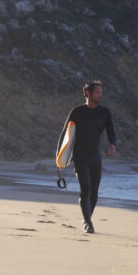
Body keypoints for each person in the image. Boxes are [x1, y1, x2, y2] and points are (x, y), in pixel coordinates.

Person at [57, 80, 117, 233]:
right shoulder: (77, 112)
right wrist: (60, 156)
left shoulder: (104, 112)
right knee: (86, 188)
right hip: (80, 155)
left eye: (100, 93)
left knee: (94, 191)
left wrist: (112, 144)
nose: (100, 95)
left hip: (96, 156)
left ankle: (87, 218)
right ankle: (88, 223)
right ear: (87, 94)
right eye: (97, 92)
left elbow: (111, 131)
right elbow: (65, 134)